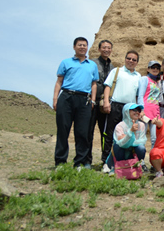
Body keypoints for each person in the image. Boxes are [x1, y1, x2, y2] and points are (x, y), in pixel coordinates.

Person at [53, 37, 99, 168]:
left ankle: (79, 162)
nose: (82, 47)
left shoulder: (92, 65)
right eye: (80, 45)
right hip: (67, 96)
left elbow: (94, 84)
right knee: (63, 130)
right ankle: (60, 162)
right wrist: (55, 99)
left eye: (85, 45)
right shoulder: (66, 62)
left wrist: (93, 100)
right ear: (74, 47)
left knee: (82, 132)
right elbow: (59, 82)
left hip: (84, 99)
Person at [101, 50, 142, 170]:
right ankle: (106, 162)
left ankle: (124, 161)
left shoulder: (138, 76)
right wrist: (106, 102)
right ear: (125, 59)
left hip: (130, 108)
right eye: (129, 58)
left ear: (137, 62)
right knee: (110, 133)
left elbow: (138, 95)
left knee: (129, 134)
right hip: (116, 106)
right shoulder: (116, 71)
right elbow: (107, 86)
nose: (131, 61)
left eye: (134, 60)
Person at [88, 39, 113, 166]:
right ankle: (87, 160)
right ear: (99, 49)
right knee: (89, 131)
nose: (106, 50)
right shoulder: (92, 64)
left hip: (105, 103)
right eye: (104, 47)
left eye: (108, 48)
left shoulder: (113, 67)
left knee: (105, 133)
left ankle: (106, 160)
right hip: (93, 102)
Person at [112, 103, 147, 171]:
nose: (137, 112)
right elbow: (121, 143)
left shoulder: (141, 125)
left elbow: (142, 141)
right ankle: (120, 166)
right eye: (134, 110)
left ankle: (137, 165)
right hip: (122, 151)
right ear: (126, 112)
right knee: (117, 145)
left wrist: (129, 141)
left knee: (141, 148)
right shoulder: (120, 126)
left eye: (139, 110)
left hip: (133, 152)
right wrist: (130, 131)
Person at [137, 61, 162, 147]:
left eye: (157, 68)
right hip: (145, 111)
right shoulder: (144, 79)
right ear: (148, 69)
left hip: (155, 112)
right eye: (153, 67)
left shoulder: (157, 82)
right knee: (142, 136)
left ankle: (152, 159)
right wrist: (141, 109)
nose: (155, 69)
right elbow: (140, 95)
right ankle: (140, 159)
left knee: (155, 138)